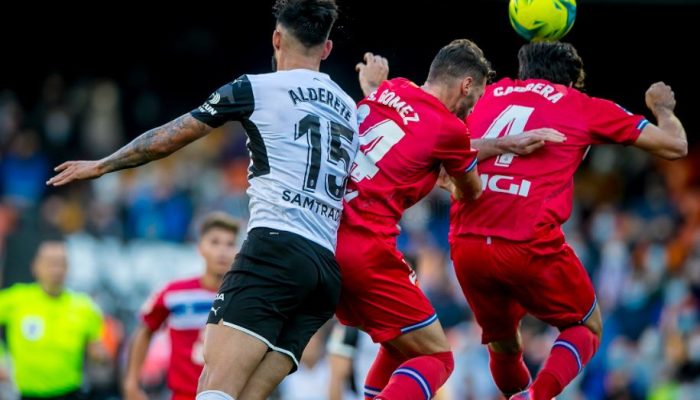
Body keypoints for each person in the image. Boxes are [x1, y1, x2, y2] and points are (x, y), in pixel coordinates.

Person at [47, 0, 357, 398]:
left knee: (213, 388)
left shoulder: (257, 88)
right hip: (325, 274)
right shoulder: (350, 108)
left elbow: (169, 139)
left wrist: (104, 165)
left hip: (275, 248)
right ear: (327, 49)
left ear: (276, 39)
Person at [448, 41, 687, 400]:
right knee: (585, 326)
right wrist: (663, 109)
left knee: (504, 345)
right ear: (573, 82)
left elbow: (444, 141)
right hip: (526, 241)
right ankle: (537, 396)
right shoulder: (580, 105)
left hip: (466, 244)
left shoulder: (490, 94)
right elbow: (675, 145)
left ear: (523, 70)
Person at [340, 43, 563, 400]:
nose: (472, 108)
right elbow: (469, 191)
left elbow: (425, 142)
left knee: (401, 346)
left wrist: (502, 144)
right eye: (475, 98)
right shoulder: (448, 128)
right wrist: (465, 169)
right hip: (366, 248)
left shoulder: (393, 89)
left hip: (329, 234)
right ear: (466, 84)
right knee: (437, 357)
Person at [123, 212, 240, 400]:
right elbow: (145, 330)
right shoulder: (174, 293)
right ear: (200, 247)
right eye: (215, 242)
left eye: (230, 244)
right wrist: (131, 382)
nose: (222, 251)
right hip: (184, 395)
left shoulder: (243, 298)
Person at [0, 241, 108, 399]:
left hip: (70, 393)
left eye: (61, 263)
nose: (56, 270)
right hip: (27, 394)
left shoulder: (84, 307)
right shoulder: (16, 299)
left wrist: (102, 357)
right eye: (50, 263)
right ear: (35, 266)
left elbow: (96, 349)